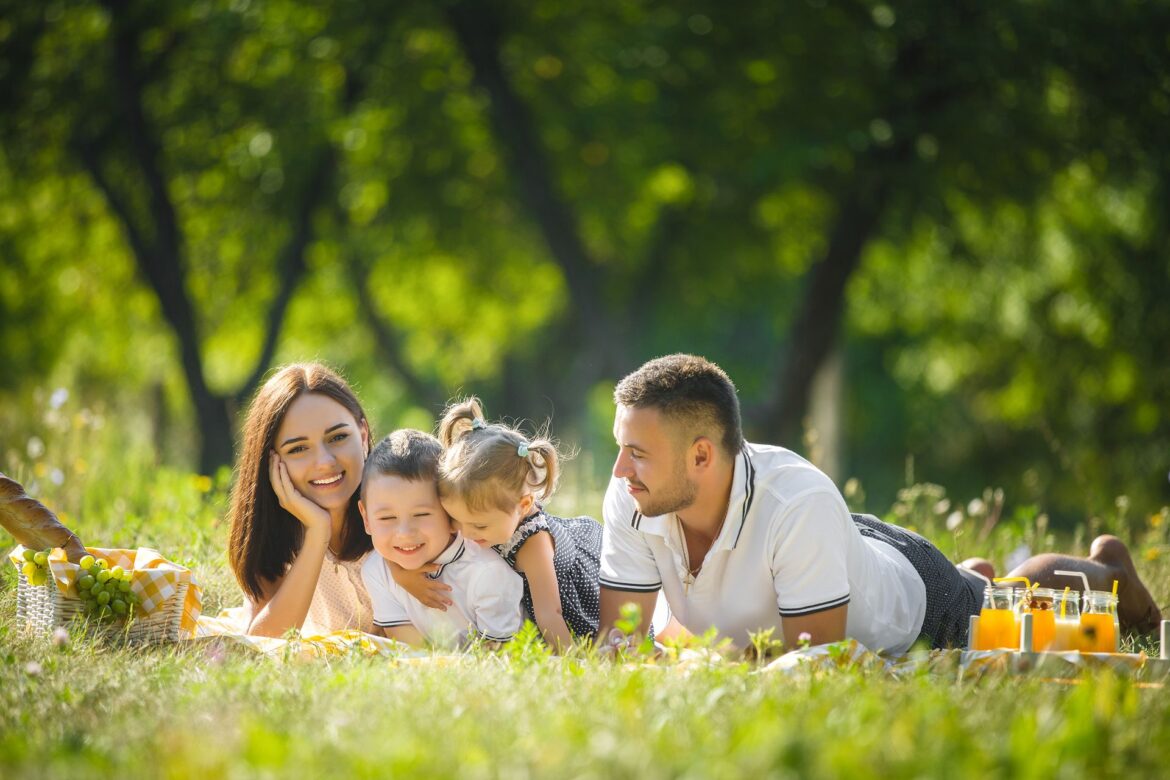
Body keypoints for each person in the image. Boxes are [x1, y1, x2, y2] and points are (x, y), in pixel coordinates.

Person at [598, 353, 1163, 654]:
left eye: (637, 453)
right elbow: (619, 642)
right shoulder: (633, 494)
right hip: (837, 550)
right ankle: (975, 574)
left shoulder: (796, 503)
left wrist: (696, 659)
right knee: (991, 595)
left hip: (918, 605)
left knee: (1010, 614)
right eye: (621, 449)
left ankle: (1111, 570)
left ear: (701, 455)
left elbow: (813, 665)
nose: (620, 469)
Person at [226, 363, 447, 638]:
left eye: (338, 437)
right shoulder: (276, 537)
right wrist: (317, 533)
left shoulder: (406, 510)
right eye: (298, 448)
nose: (324, 462)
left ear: (363, 435)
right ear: (272, 462)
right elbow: (263, 642)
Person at [437, 398, 602, 649]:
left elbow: (550, 613)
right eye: (455, 520)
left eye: (479, 526)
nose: (465, 533)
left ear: (523, 505)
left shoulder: (534, 543)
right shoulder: (485, 519)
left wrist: (572, 661)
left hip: (568, 611)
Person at [360, 429, 524, 647]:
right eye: (387, 518)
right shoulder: (376, 570)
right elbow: (410, 649)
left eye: (421, 514)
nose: (405, 533)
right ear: (366, 518)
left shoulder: (487, 572)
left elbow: (501, 655)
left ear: (450, 511)